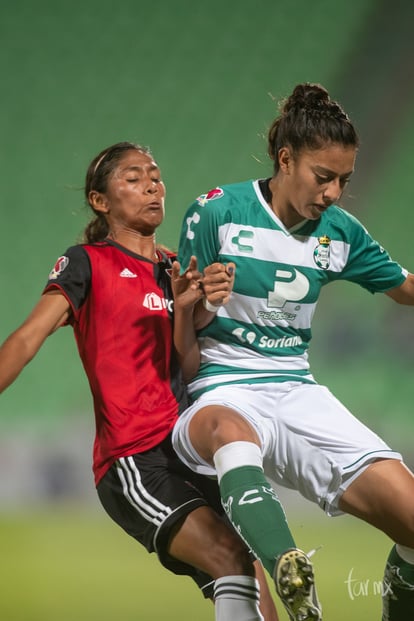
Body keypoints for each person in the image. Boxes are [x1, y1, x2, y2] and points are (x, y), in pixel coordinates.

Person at [0, 142, 280, 621]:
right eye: (133, 177)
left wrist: (195, 308)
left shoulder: (177, 269)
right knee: (230, 560)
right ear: (100, 201)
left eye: (155, 175)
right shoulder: (88, 263)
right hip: (135, 460)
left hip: (191, 451)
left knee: (255, 590)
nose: (152, 184)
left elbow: (189, 369)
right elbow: (28, 337)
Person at [171, 82, 414, 621]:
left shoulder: (341, 233)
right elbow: (181, 327)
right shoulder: (216, 212)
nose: (332, 193)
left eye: (343, 181)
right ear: (286, 159)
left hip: (297, 390)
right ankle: (290, 570)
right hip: (222, 385)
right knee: (230, 434)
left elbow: (406, 288)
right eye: (322, 177)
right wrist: (199, 303)